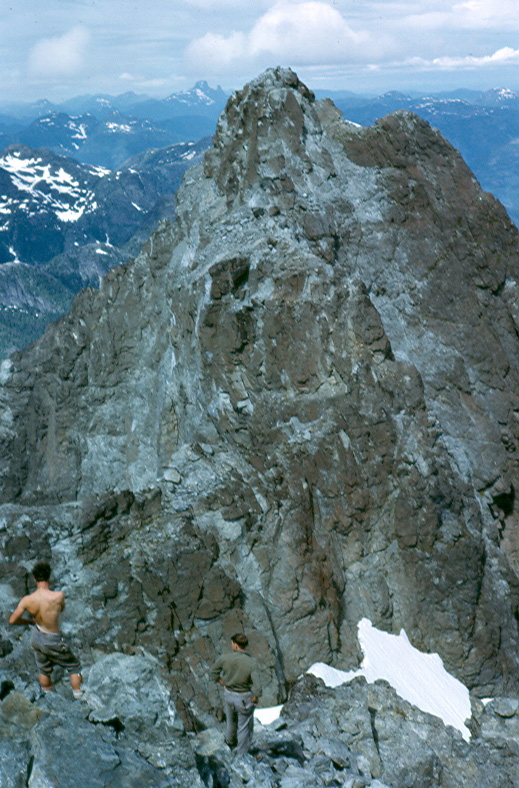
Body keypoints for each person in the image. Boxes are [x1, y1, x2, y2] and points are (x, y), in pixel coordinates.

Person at [9, 561, 83, 698]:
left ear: (34, 579)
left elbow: (12, 620)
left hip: (37, 637)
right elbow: (62, 609)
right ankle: (79, 697)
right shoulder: (58, 596)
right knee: (74, 667)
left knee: (43, 669)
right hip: (53, 638)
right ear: (49, 576)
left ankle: (48, 697)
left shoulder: (27, 600)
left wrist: (29, 621)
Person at [210, 632, 261, 756]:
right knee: (244, 727)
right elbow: (258, 686)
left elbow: (213, 674)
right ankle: (242, 755)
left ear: (236, 645)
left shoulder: (224, 658)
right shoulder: (251, 662)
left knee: (230, 722)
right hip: (243, 697)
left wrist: (223, 683)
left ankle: (230, 744)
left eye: (232, 643)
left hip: (228, 695)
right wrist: (256, 697)